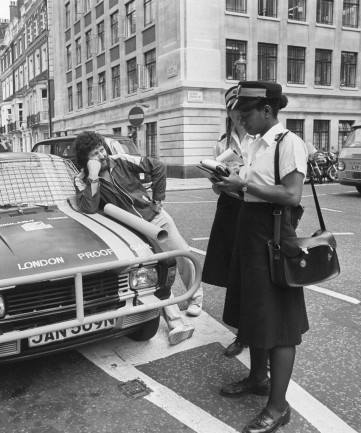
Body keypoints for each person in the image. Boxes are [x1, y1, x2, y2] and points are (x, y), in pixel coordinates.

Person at [213, 81, 309, 433]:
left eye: (246, 114)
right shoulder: (254, 145)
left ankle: (278, 406)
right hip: (249, 234)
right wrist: (228, 185)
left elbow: (291, 194)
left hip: (273, 239)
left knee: (281, 327)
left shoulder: (289, 143)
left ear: (268, 110)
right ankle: (257, 378)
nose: (242, 120)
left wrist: (244, 186)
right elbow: (251, 192)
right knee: (253, 316)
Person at [74, 131, 202, 345]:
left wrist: (158, 198)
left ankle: (195, 298)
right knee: (158, 271)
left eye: (101, 150)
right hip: (134, 230)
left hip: (156, 218)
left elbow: (158, 166)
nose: (102, 156)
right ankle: (175, 322)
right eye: (95, 154)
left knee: (184, 256)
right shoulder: (82, 179)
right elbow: (89, 208)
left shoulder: (121, 160)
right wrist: (93, 178)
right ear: (85, 159)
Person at [201, 86, 256, 355]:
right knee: (232, 273)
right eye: (233, 109)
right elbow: (215, 187)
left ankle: (250, 332)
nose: (238, 114)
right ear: (228, 111)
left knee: (251, 273)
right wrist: (218, 181)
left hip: (253, 207)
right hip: (229, 208)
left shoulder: (259, 140)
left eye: (242, 108)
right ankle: (241, 333)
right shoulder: (222, 142)